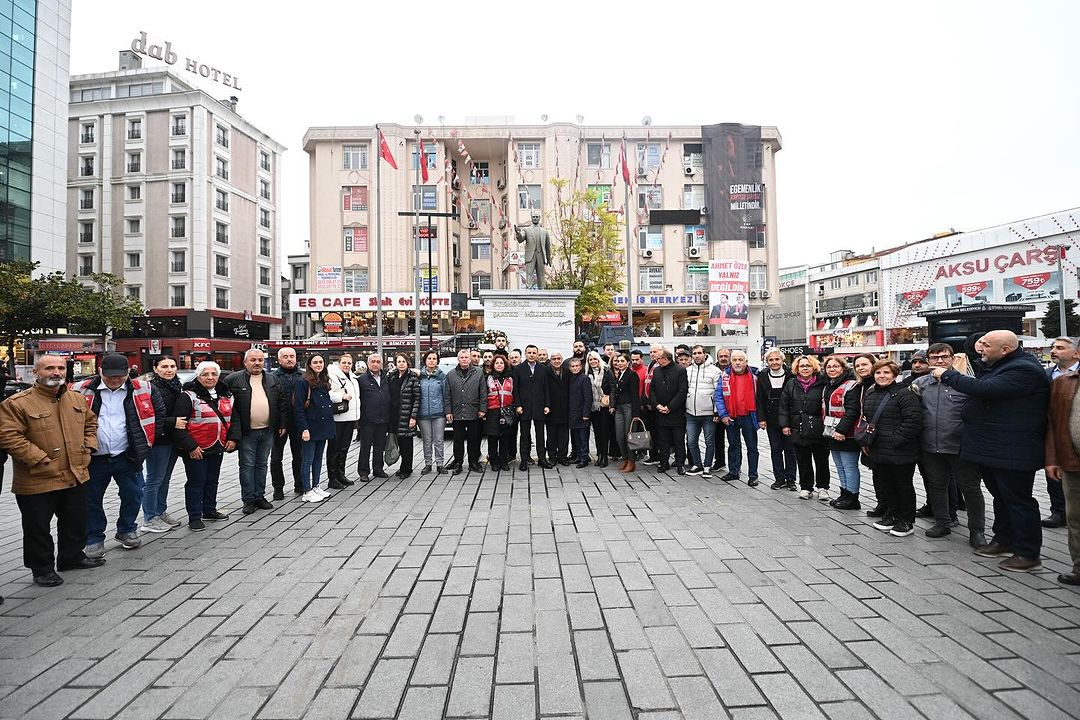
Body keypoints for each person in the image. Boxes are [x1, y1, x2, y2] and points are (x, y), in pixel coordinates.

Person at [932, 330, 1049, 572]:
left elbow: (986, 389)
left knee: (1018, 501)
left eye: (984, 345)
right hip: (993, 447)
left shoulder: (1023, 369)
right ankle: (1003, 541)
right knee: (1001, 497)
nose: (979, 348)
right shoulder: (999, 364)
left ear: (1005, 349)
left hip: (1013, 449)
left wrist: (949, 375)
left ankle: (1027, 553)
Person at [0, 355, 103, 587]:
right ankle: (42, 569)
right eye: (49, 368)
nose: (56, 372)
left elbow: (91, 423)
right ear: (36, 373)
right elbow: (8, 435)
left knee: (75, 519)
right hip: (38, 476)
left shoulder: (76, 398)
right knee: (37, 527)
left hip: (76, 472)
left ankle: (71, 557)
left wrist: (88, 448)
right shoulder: (17, 403)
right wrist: (38, 458)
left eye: (59, 368)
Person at [72, 353, 165, 557]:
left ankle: (126, 529)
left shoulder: (145, 389)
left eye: (120, 376)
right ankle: (94, 538)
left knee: (133, 494)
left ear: (128, 373)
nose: (115, 380)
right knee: (91, 498)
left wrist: (144, 445)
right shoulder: (80, 389)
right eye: (110, 376)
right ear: (100, 372)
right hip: (93, 457)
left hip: (128, 455)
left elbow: (158, 416)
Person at [912, 343, 986, 545]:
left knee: (970, 488)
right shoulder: (920, 384)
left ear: (953, 358)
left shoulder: (966, 383)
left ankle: (977, 530)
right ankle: (942, 522)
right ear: (928, 361)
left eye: (944, 357)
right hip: (930, 446)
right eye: (934, 358)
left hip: (960, 446)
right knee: (936, 486)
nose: (940, 361)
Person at [859, 359, 922, 537]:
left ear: (894, 375)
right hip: (879, 449)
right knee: (887, 484)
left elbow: (914, 421)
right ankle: (891, 515)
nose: (882, 376)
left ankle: (906, 521)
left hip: (901, 450)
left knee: (903, 485)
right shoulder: (871, 393)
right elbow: (867, 420)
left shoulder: (904, 394)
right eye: (878, 373)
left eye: (886, 373)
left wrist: (895, 440)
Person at [173, 361, 240, 529]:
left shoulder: (226, 395)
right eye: (205, 374)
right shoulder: (187, 396)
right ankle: (194, 517)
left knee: (212, 480)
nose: (210, 378)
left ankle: (209, 509)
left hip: (218, 445)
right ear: (198, 376)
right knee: (196, 482)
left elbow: (234, 419)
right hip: (197, 448)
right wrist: (190, 447)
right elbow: (179, 425)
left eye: (213, 374)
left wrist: (233, 439)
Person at [223, 349, 288, 514]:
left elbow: (282, 404)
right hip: (246, 432)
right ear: (245, 362)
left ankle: (259, 496)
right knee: (247, 466)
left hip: (267, 430)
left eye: (260, 360)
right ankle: (248, 499)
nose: (257, 363)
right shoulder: (233, 380)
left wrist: (282, 424)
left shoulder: (272, 380)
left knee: (262, 465)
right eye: (253, 360)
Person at [140, 356, 186, 533]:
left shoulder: (176, 386)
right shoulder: (151, 388)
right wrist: (172, 421)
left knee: (164, 478)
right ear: (155, 368)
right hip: (158, 440)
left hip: (171, 439)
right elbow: (149, 416)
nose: (169, 370)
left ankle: (160, 511)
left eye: (173, 366)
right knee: (154, 479)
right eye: (164, 366)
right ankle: (149, 518)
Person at [1044, 363, 1080, 585]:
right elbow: (1054, 424)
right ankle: (1079, 567)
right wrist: (1052, 459)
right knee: (1075, 518)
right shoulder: (1063, 382)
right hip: (1072, 461)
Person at [780, 356, 831, 501]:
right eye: (802, 366)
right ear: (797, 368)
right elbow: (784, 406)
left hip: (818, 427)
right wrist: (785, 424)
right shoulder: (791, 383)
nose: (805, 368)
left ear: (814, 367)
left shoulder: (823, 382)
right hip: (798, 427)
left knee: (821, 460)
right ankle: (806, 487)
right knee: (803, 459)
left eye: (808, 365)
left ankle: (823, 487)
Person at [1043, 336, 1078, 528]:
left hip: (1074, 430)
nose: (1054, 351)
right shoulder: (1047, 375)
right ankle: (1058, 511)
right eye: (1053, 347)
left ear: (1076, 353)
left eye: (1060, 348)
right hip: (1055, 430)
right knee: (1053, 473)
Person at [821, 356, 863, 509]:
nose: (832, 369)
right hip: (832, 432)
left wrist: (841, 430)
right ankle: (844, 493)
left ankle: (853, 497)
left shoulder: (851, 385)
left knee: (849, 466)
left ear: (843, 368)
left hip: (847, 434)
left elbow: (853, 410)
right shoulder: (829, 385)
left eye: (836, 366)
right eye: (829, 367)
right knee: (840, 465)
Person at [714, 351, 760, 486]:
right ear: (731, 362)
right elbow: (718, 396)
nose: (737, 363)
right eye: (735, 360)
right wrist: (723, 414)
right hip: (731, 416)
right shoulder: (725, 376)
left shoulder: (755, 375)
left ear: (746, 362)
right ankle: (734, 471)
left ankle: (753, 475)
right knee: (733, 445)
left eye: (741, 360)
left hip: (749, 416)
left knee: (752, 447)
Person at [294, 354, 336, 501]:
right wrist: (304, 429)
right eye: (315, 362)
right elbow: (298, 407)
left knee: (318, 458)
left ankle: (316, 486)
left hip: (323, 426)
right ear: (310, 365)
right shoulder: (303, 382)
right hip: (310, 426)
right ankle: (306, 490)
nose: (318, 364)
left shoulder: (323, 380)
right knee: (308, 459)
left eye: (321, 362)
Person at [757, 349, 796, 491]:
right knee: (775, 449)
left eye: (777, 359)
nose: (774, 362)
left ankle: (791, 479)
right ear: (767, 362)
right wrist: (761, 418)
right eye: (771, 360)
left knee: (790, 450)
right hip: (771, 418)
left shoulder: (792, 375)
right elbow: (759, 399)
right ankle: (779, 478)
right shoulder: (762, 376)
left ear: (782, 360)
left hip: (789, 418)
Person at [270, 347, 304, 499]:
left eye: (292, 356)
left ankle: (300, 484)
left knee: (300, 456)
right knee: (276, 458)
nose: (289, 359)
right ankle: (278, 488)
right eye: (285, 357)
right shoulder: (271, 377)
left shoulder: (303, 376)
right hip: (279, 424)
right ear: (279, 360)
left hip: (299, 422)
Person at [513, 345, 552, 471]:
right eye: (529, 352)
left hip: (539, 406)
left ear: (537, 354)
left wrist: (547, 405)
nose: (531, 355)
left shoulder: (543, 369)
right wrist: (518, 405)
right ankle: (524, 459)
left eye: (534, 352)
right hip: (524, 407)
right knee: (524, 435)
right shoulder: (519, 369)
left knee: (540, 434)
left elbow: (546, 388)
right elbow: (516, 389)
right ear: (525, 354)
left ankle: (542, 459)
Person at [649, 350, 688, 474]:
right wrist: (657, 405)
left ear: (666, 359)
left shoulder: (680, 370)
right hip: (660, 411)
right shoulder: (657, 371)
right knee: (662, 440)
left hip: (675, 412)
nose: (656, 360)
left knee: (678, 440)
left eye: (658, 358)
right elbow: (652, 389)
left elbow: (682, 391)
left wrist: (670, 407)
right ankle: (664, 462)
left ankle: (680, 463)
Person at [446, 349, 485, 473]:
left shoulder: (478, 373)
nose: (464, 359)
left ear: (470, 359)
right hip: (457, 413)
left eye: (466, 357)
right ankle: (458, 462)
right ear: (458, 359)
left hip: (474, 412)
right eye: (461, 357)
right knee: (458, 439)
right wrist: (448, 411)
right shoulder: (451, 374)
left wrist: (482, 409)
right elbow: (447, 395)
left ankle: (473, 461)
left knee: (474, 438)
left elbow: (483, 392)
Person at [684, 344, 720, 477]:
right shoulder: (687, 371)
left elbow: (718, 393)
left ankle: (707, 466)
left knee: (709, 441)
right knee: (691, 441)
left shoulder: (715, 371)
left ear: (705, 354)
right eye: (694, 353)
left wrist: (717, 411)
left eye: (699, 353)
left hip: (708, 414)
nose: (697, 355)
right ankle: (697, 464)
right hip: (691, 413)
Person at [355, 353, 391, 481]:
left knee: (379, 446)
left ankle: (378, 469)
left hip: (383, 418)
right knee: (365, 447)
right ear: (368, 363)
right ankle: (363, 471)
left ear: (381, 364)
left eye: (378, 362)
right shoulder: (361, 380)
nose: (375, 364)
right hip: (367, 419)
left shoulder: (387, 378)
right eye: (373, 362)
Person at [327, 354, 360, 487]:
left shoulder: (353, 377)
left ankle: (341, 474)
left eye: (349, 363)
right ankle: (332, 478)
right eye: (344, 362)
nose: (347, 365)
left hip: (350, 418)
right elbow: (328, 393)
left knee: (344, 448)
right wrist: (341, 396)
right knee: (334, 449)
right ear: (338, 363)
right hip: (338, 418)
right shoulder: (332, 376)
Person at [417, 351, 450, 474]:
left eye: (434, 359)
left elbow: (446, 395)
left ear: (437, 361)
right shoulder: (419, 376)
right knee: (427, 440)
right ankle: (428, 463)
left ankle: (440, 464)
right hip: (423, 414)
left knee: (439, 439)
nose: (431, 360)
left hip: (439, 413)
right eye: (429, 358)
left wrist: (447, 411)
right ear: (425, 360)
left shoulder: (442, 376)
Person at [482, 353, 516, 471]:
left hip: (506, 411)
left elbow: (514, 394)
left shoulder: (510, 378)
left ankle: (503, 461)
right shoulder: (488, 378)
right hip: (492, 411)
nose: (499, 365)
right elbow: (484, 395)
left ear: (505, 365)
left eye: (501, 363)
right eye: (497, 363)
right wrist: (484, 411)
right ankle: (494, 462)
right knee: (492, 438)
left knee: (504, 438)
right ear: (493, 365)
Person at [389, 354, 420, 479]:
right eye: (399, 361)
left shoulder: (413, 377)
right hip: (394, 415)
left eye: (403, 361)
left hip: (407, 415)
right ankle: (403, 467)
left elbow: (417, 398)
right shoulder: (392, 376)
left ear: (408, 363)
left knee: (406, 443)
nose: (401, 363)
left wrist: (413, 417)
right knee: (399, 441)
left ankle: (406, 469)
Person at [610, 353, 640, 473]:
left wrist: (636, 414)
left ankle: (631, 462)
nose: (620, 363)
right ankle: (626, 458)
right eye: (618, 361)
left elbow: (635, 395)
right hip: (619, 408)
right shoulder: (619, 375)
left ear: (628, 363)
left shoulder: (632, 375)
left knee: (629, 436)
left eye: (622, 361)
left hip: (629, 407)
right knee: (619, 436)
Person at [585, 351, 614, 467]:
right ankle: (599, 455)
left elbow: (613, 388)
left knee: (604, 432)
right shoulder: (587, 372)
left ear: (598, 360)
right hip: (593, 406)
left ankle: (605, 456)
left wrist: (612, 404)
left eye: (595, 359)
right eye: (590, 360)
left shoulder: (606, 370)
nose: (593, 361)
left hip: (604, 406)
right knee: (596, 433)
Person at [545, 352, 571, 465]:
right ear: (550, 360)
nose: (556, 361)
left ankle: (562, 457)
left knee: (564, 436)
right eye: (554, 359)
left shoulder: (567, 371)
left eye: (559, 358)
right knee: (551, 436)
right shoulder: (546, 372)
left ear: (562, 360)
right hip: (551, 409)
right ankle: (552, 457)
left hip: (565, 408)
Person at [567, 357, 593, 468]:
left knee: (583, 438)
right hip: (573, 413)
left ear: (581, 366)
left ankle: (584, 458)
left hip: (582, 413)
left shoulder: (584, 378)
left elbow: (588, 397)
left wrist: (586, 413)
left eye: (577, 366)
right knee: (576, 437)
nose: (575, 368)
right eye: (573, 366)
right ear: (570, 368)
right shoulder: (571, 379)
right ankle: (578, 456)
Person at [711, 349, 731, 471]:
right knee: (717, 438)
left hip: (732, 410)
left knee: (734, 441)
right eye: (721, 356)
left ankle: (735, 465)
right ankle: (720, 461)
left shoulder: (735, 370)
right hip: (718, 409)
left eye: (726, 356)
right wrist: (716, 411)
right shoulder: (714, 370)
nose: (723, 358)